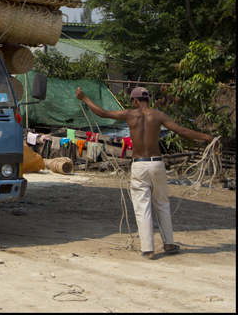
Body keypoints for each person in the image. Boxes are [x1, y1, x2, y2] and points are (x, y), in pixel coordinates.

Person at [75, 86, 213, 259]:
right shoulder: (159, 115)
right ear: (148, 100)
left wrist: (84, 97)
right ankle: (168, 244)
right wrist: (206, 137)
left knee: (142, 207)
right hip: (157, 164)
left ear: (135, 100)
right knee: (162, 204)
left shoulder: (129, 114)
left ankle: (148, 249)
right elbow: (182, 131)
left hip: (139, 164)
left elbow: (102, 113)